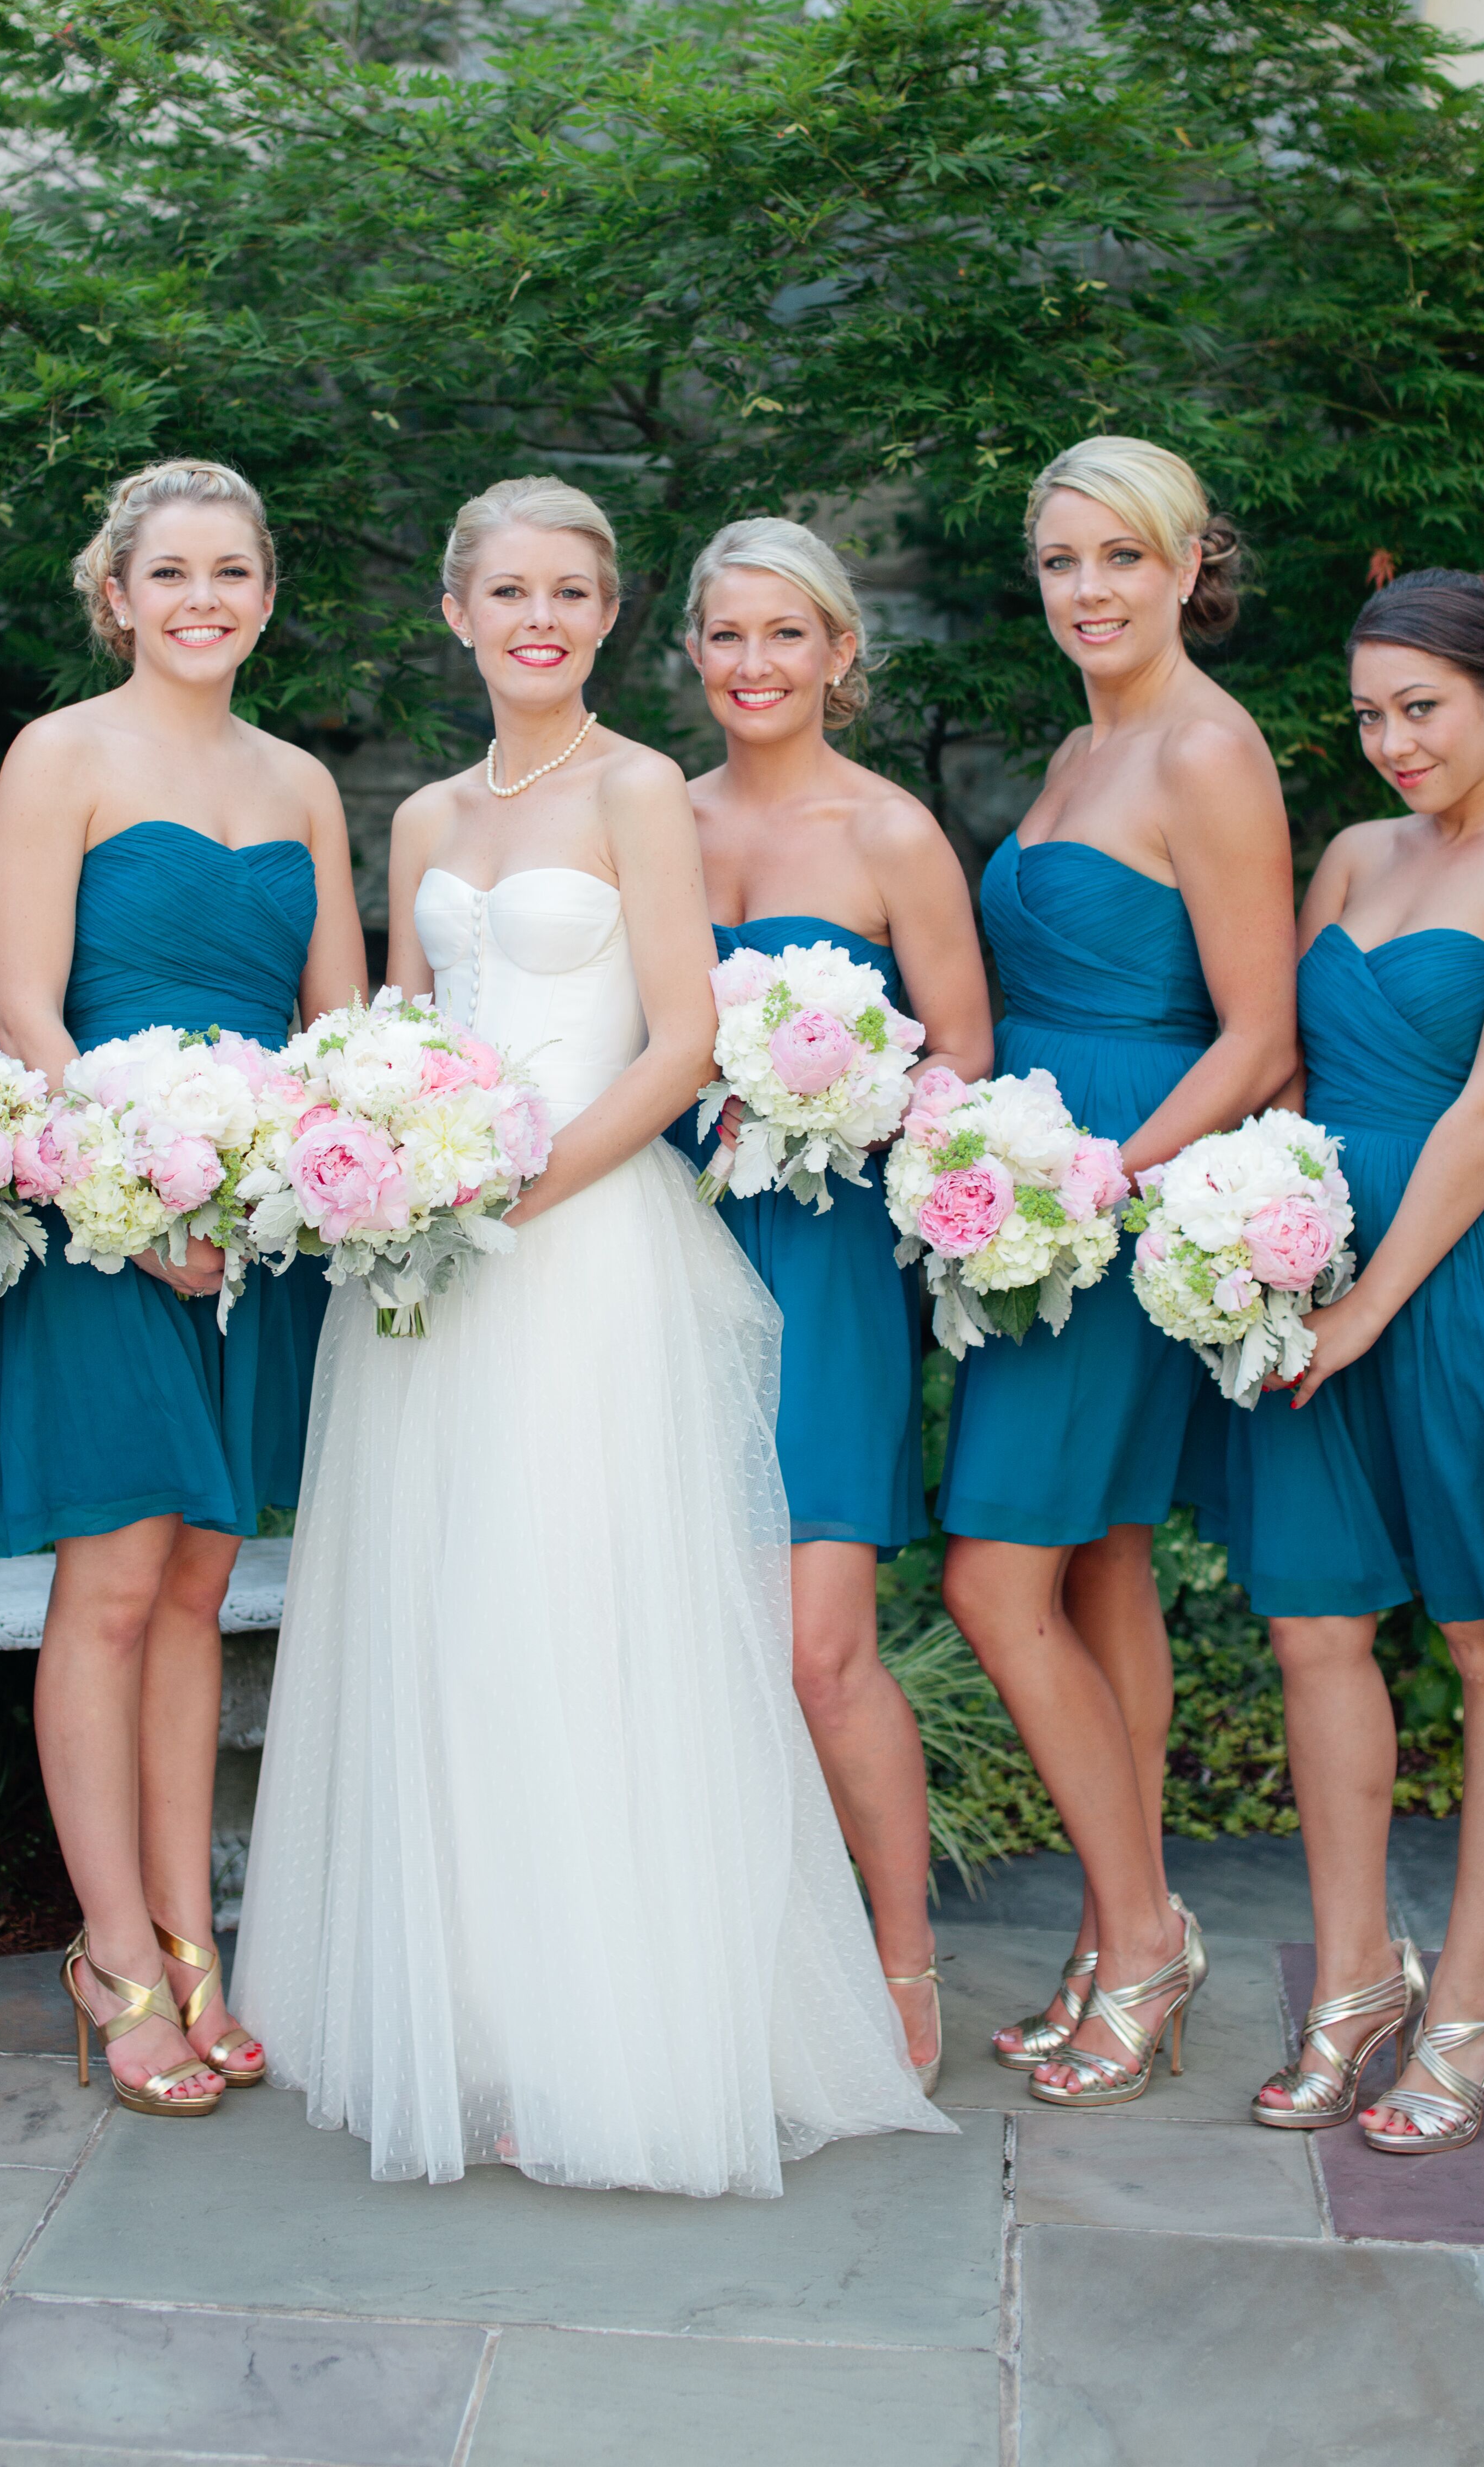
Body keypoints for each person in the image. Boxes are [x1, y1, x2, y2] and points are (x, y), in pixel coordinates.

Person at [231, 474, 948, 2192]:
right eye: (509, 594)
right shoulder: (417, 820)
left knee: (599, 1613)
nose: (539, 620)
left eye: (571, 594)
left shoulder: (641, 793)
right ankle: (478, 2018)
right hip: (441, 1268)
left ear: (609, 619)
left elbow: (683, 1042)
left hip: (590, 1241)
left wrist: (524, 1190)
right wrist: (394, 1166)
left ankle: (620, 2035)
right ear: (458, 617)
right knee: (459, 1616)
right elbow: (406, 1031)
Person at [0, 458, 363, 2117]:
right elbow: (26, 1014)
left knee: (202, 1587)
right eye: (171, 573)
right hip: (110, 1225)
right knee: (114, 1587)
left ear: (266, 597)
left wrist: (306, 1175)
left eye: (233, 573)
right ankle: (115, 1951)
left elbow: (346, 1030)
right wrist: (134, 1204)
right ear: (117, 595)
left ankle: (192, 1938)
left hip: (259, 1244)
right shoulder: (57, 755)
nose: (204, 598)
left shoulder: (304, 785)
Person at [1226, 571, 1484, 2154]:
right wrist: (1244, 1241)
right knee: (1315, 1622)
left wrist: (1369, 1308)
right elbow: (1293, 1067)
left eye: (1425, 710)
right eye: (1373, 715)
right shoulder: (1351, 855)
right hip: (1315, 1254)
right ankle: (1352, 1982)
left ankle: (1471, 1998)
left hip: (1460, 1278)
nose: (1394, 743)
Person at [939, 436, 1297, 2110]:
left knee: (993, 1584)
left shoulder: (1208, 752)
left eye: (1121, 561)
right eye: (1064, 562)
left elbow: (1261, 1030)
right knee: (1103, 1578)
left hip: (1112, 1211)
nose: (1088, 590)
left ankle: (1146, 1935)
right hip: (1038, 1206)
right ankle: (1112, 1932)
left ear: (1183, 567)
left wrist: (1112, 1175)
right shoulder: (1093, 744)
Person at [678, 516, 994, 2093]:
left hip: (829, 1270)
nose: (755, 666)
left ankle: (899, 1956)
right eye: (728, 637)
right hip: (673, 1257)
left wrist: (848, 1103)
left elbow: (969, 1071)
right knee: (698, 1645)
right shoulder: (651, 820)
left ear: (840, 653)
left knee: (820, 1648)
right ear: (692, 653)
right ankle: (731, 1978)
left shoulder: (892, 837)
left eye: (785, 636)